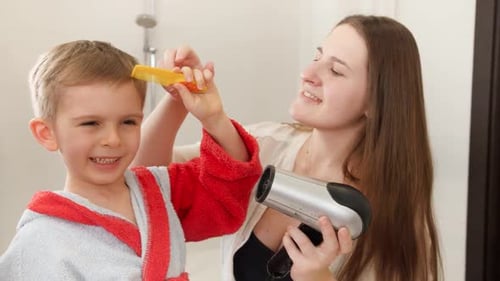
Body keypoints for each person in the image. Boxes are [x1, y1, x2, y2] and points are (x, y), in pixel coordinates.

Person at [134, 14, 442, 281]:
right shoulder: (264, 147)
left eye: (335, 71)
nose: (308, 73)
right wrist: (179, 98)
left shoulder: (392, 216)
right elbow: (144, 178)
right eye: (317, 56)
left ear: (376, 102)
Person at [0, 40, 262, 280]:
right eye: (91, 123)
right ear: (47, 134)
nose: (113, 139)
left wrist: (213, 117)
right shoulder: (41, 241)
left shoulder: (157, 190)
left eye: (128, 122)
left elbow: (226, 192)